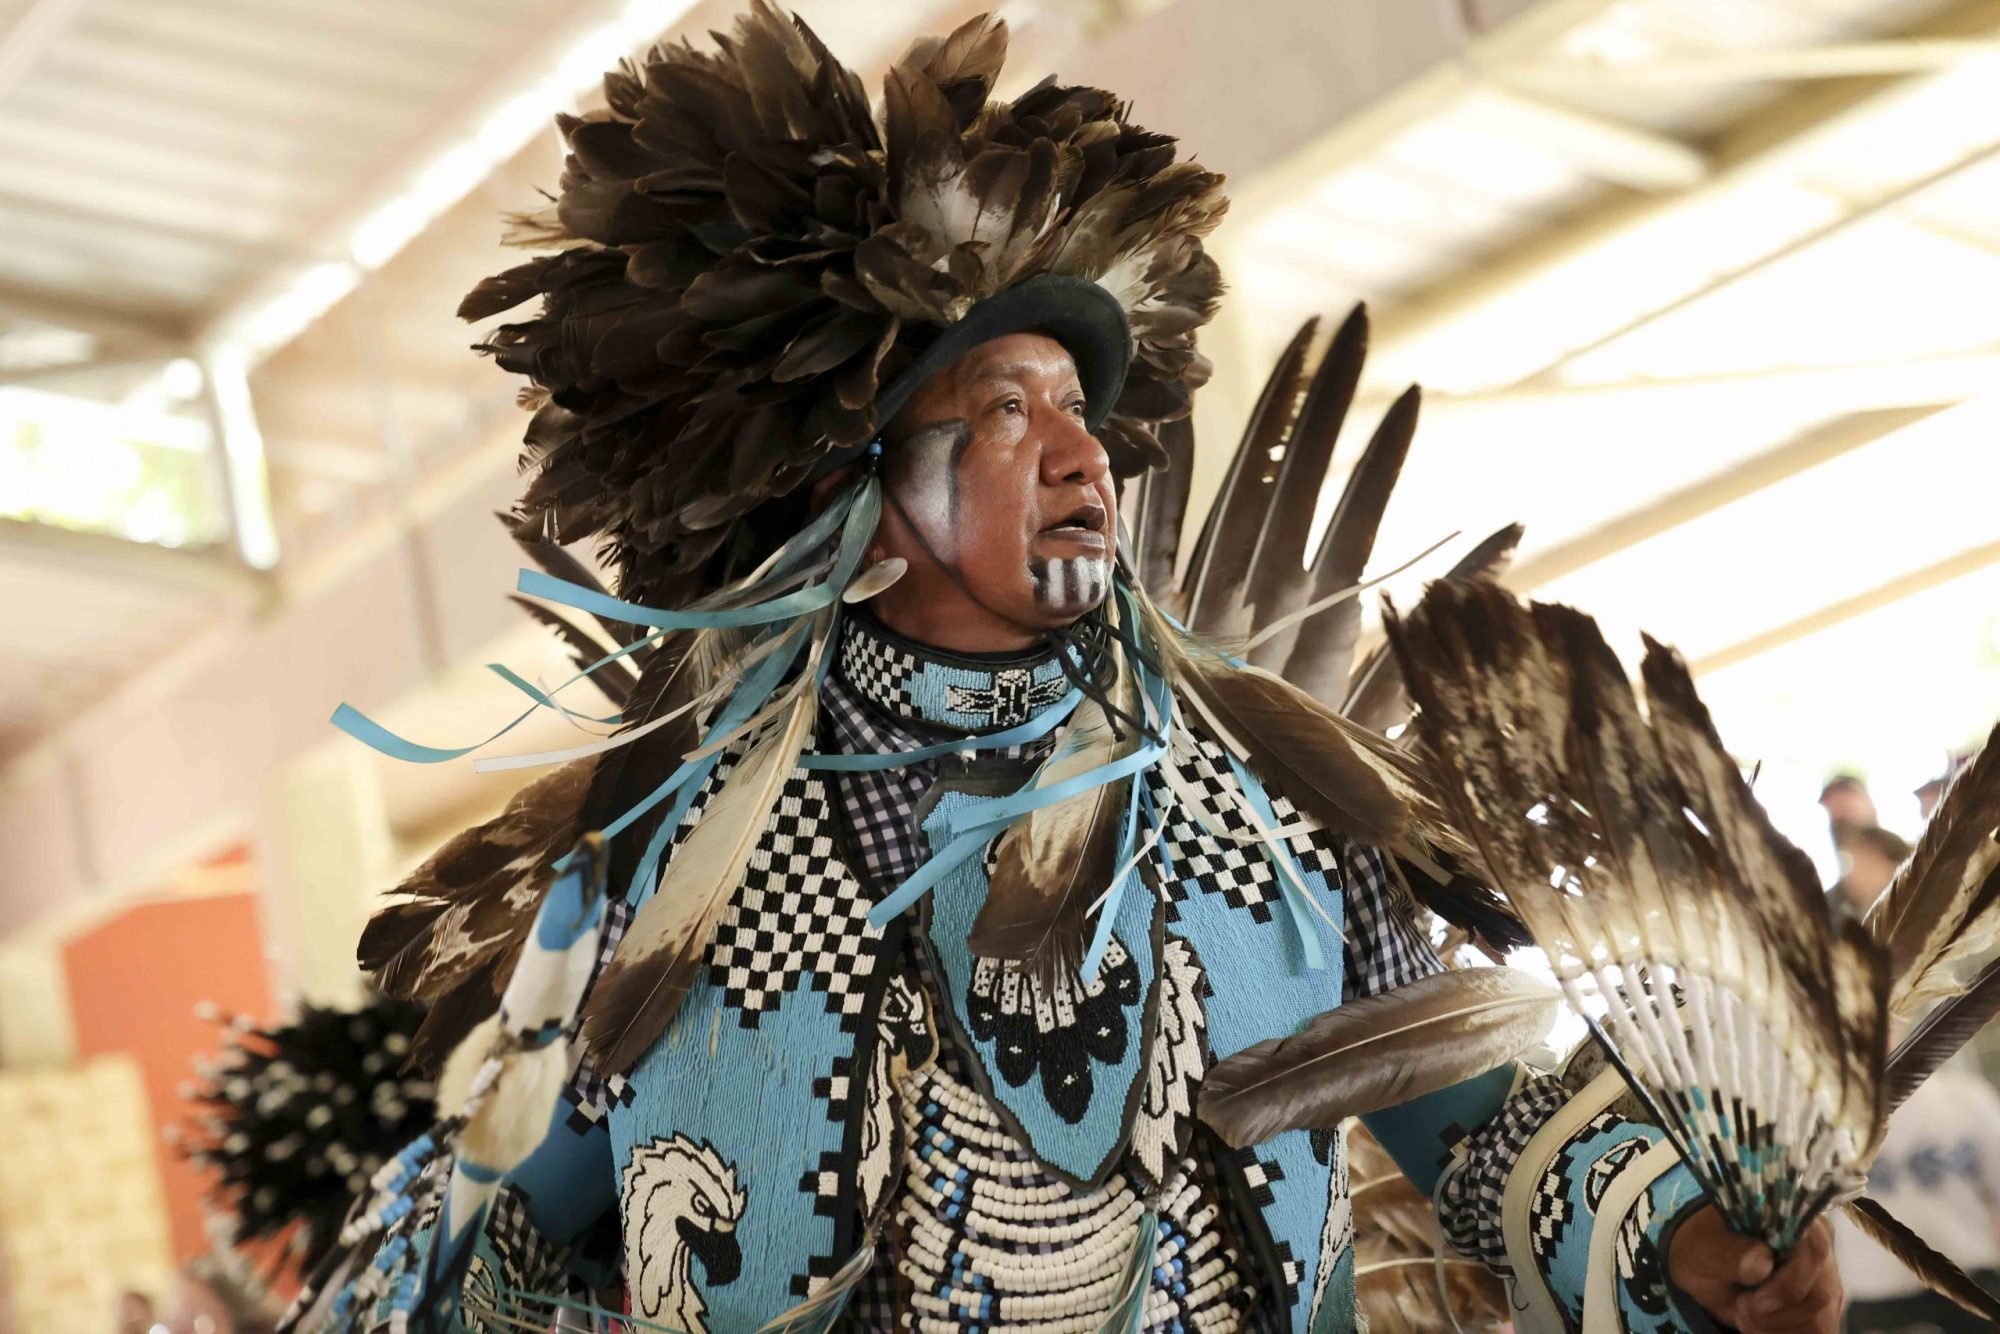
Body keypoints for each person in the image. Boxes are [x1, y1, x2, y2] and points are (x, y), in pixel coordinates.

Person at [294, 8, 1844, 1331]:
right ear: (857, 492)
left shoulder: (1278, 822)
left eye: (1076, 401)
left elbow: (1481, 1116)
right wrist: (463, 1232)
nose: (1077, 448)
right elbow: (495, 1228)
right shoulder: (675, 883)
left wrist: (1675, 1246)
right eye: (1000, 407)